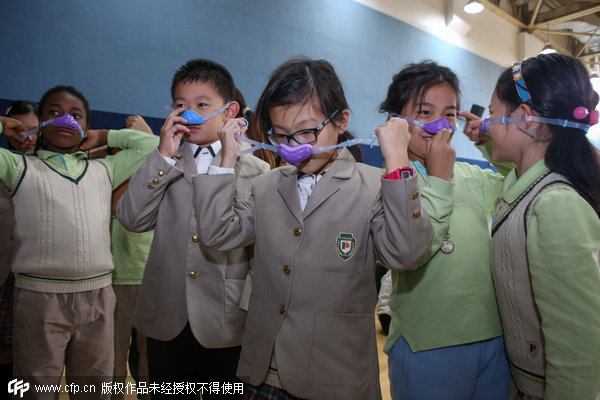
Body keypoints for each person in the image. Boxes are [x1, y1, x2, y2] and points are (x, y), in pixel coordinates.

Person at [191, 56, 434, 400]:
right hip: (260, 374)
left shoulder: (375, 185)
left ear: (341, 120)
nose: (293, 146)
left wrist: (397, 162)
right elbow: (217, 234)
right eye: (282, 135)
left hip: (334, 379)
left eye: (307, 131)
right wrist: (225, 160)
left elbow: (407, 253)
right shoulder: (266, 185)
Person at [117, 58, 270, 400]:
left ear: (229, 111)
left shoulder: (254, 170)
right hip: (166, 314)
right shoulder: (163, 162)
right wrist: (163, 155)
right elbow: (131, 218)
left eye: (202, 105)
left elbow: (254, 247)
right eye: (181, 106)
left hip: (226, 320)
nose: (190, 114)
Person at [0, 85, 159, 399]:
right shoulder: (20, 168)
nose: (65, 120)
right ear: (40, 125)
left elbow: (151, 145)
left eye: (76, 115)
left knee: (94, 388)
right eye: (53, 113)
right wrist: (5, 125)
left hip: (98, 297)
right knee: (35, 387)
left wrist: (104, 137)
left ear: (85, 126)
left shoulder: (103, 169)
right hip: (39, 297)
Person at [465, 53, 600, 400]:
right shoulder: (528, 183)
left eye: (493, 113)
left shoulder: (555, 204)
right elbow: (511, 170)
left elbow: (577, 345)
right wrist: (486, 142)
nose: (486, 124)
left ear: (524, 118)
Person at [378, 61, 511, 400]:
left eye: (449, 113)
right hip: (427, 347)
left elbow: (520, 179)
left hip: (493, 339)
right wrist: (437, 177)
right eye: (424, 111)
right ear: (396, 120)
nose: (439, 123)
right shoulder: (393, 182)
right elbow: (413, 248)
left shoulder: (471, 175)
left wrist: (489, 141)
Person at [109, 115, 154, 400]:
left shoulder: (156, 170)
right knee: (112, 357)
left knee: (150, 359)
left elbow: (158, 146)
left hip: (151, 276)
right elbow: (118, 207)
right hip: (117, 277)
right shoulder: (109, 172)